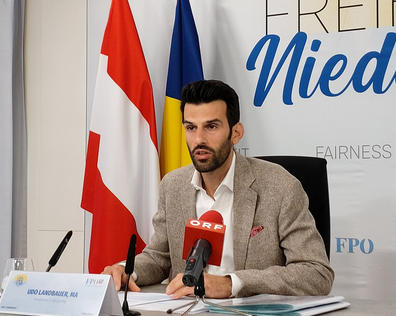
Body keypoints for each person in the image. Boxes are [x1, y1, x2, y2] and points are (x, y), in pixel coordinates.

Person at [103, 80, 334, 298]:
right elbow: (159, 258)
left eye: (211, 126)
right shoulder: (173, 186)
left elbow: (316, 273)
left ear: (236, 133)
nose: (199, 139)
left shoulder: (280, 186)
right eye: (191, 127)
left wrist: (231, 284)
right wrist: (126, 270)